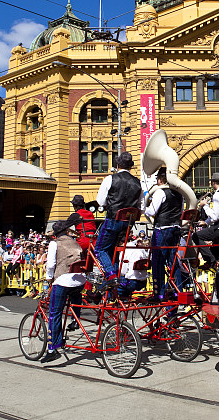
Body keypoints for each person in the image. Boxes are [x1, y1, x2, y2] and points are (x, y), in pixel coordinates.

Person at [94, 152, 142, 289]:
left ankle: (111, 276)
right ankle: (112, 284)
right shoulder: (137, 182)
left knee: (100, 249)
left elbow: (100, 201)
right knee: (114, 251)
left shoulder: (110, 179)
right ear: (130, 166)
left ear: (118, 165)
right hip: (128, 223)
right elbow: (141, 206)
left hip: (113, 219)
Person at [41, 220, 87, 364]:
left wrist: (49, 278)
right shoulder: (75, 242)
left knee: (54, 314)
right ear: (67, 231)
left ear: (55, 233)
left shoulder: (55, 243)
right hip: (80, 281)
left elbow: (51, 264)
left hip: (63, 280)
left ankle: (52, 349)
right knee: (75, 294)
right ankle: (75, 319)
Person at [145, 167, 184, 300]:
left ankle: (159, 293)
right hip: (176, 228)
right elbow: (181, 211)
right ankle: (178, 291)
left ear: (161, 180)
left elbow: (152, 211)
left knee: (158, 261)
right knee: (173, 261)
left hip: (162, 228)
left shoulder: (160, 192)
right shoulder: (179, 195)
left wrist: (144, 207)